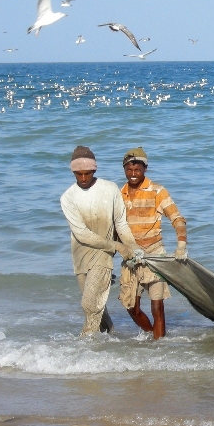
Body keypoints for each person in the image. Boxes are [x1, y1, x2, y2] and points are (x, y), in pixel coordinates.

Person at [60, 145, 141, 337]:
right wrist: (118, 246)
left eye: (87, 173)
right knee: (96, 305)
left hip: (103, 255)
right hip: (80, 256)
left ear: (94, 170)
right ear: (73, 172)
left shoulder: (109, 189)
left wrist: (132, 247)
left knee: (89, 304)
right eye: (78, 174)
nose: (83, 178)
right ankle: (111, 337)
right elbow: (82, 234)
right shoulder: (68, 197)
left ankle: (85, 344)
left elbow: (120, 224)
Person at [118, 147, 188, 340]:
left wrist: (181, 244)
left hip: (155, 255)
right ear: (124, 169)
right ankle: (151, 336)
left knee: (157, 306)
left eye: (137, 170)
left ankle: (160, 345)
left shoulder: (158, 191)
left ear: (145, 169)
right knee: (131, 306)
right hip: (131, 258)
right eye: (129, 170)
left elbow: (177, 219)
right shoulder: (119, 194)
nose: (133, 174)